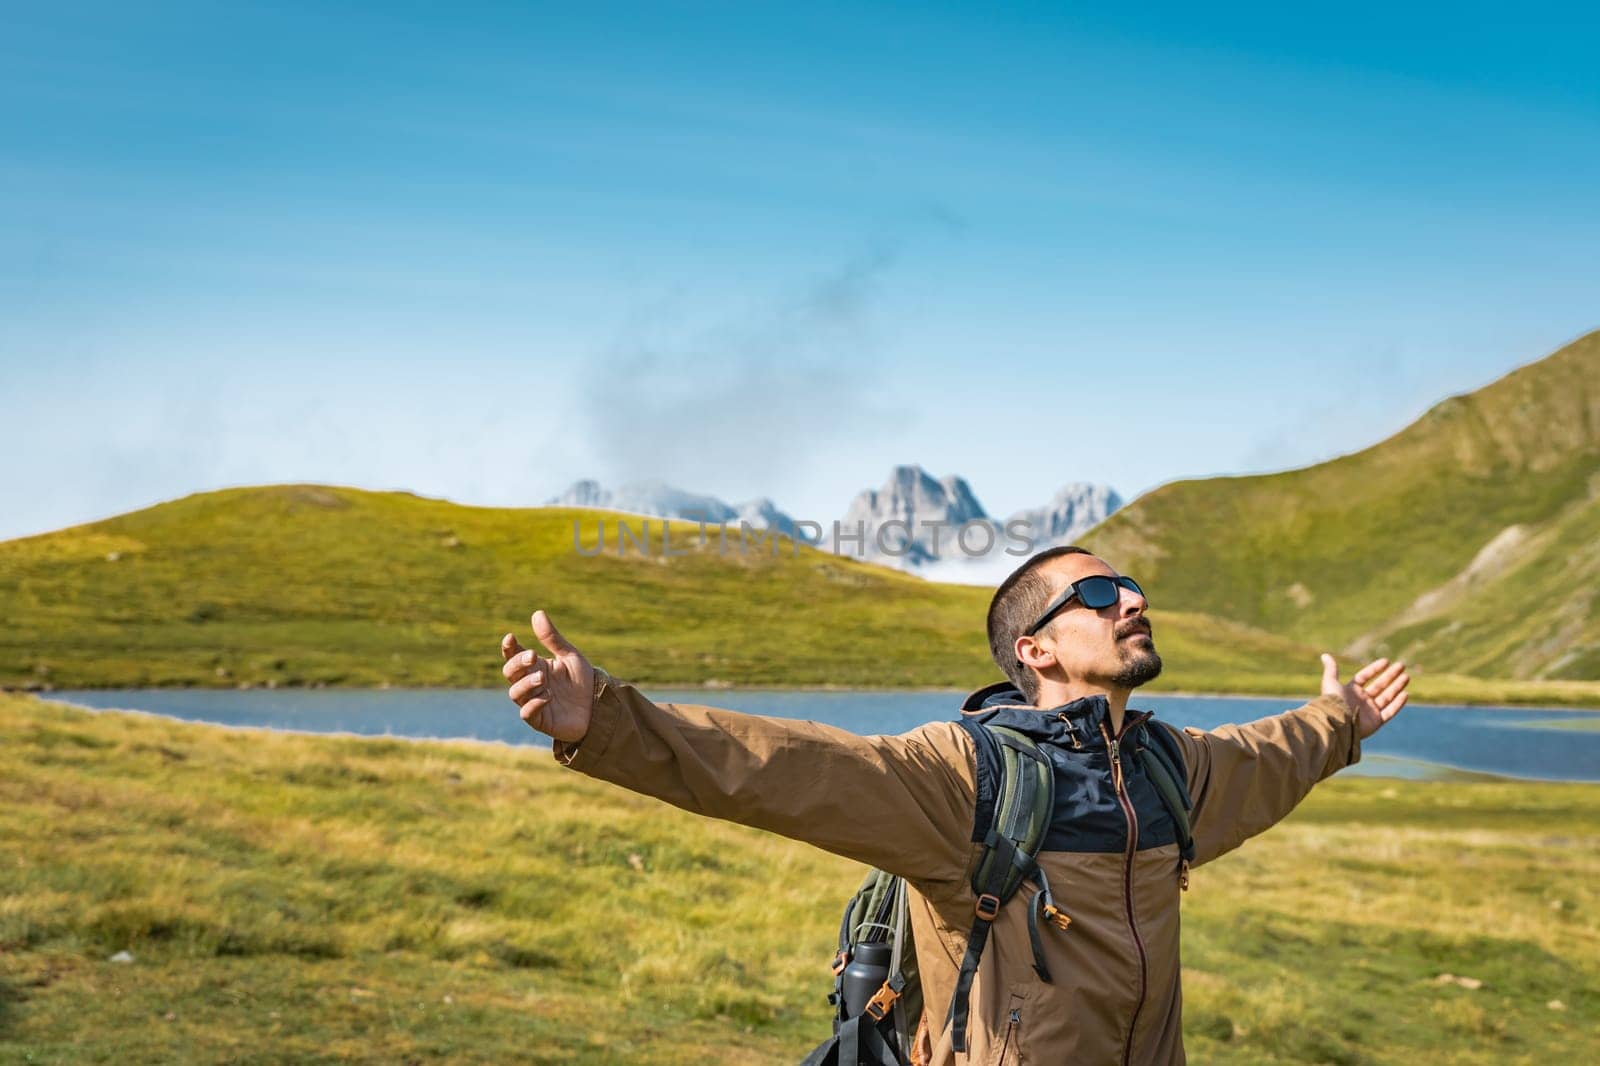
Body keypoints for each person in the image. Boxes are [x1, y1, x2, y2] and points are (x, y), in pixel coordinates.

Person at [499, 546, 1409, 1064]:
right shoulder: (965, 775)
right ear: (1035, 650)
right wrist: (608, 722)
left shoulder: (1173, 768)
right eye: (1095, 595)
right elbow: (786, 768)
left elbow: (1276, 755)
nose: (1131, 599)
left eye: (1131, 588)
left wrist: (1345, 717)